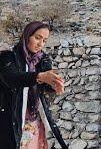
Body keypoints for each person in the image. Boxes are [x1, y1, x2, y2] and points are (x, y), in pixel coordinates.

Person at [0, 21, 68, 149]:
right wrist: (39, 77)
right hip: (12, 120)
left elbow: (44, 87)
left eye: (44, 41)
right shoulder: (8, 57)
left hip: (34, 121)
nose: (40, 44)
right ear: (27, 36)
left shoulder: (42, 60)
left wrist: (54, 85)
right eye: (37, 38)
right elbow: (11, 78)